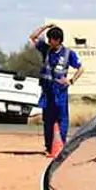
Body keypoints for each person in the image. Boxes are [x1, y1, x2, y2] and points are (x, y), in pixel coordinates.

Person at [28, 22, 83, 156]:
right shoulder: (46, 49)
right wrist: (46, 27)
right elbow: (33, 37)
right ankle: (49, 146)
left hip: (60, 91)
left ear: (58, 40)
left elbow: (81, 68)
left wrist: (71, 80)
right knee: (48, 119)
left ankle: (60, 145)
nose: (49, 41)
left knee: (62, 118)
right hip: (47, 91)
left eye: (51, 39)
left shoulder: (68, 53)